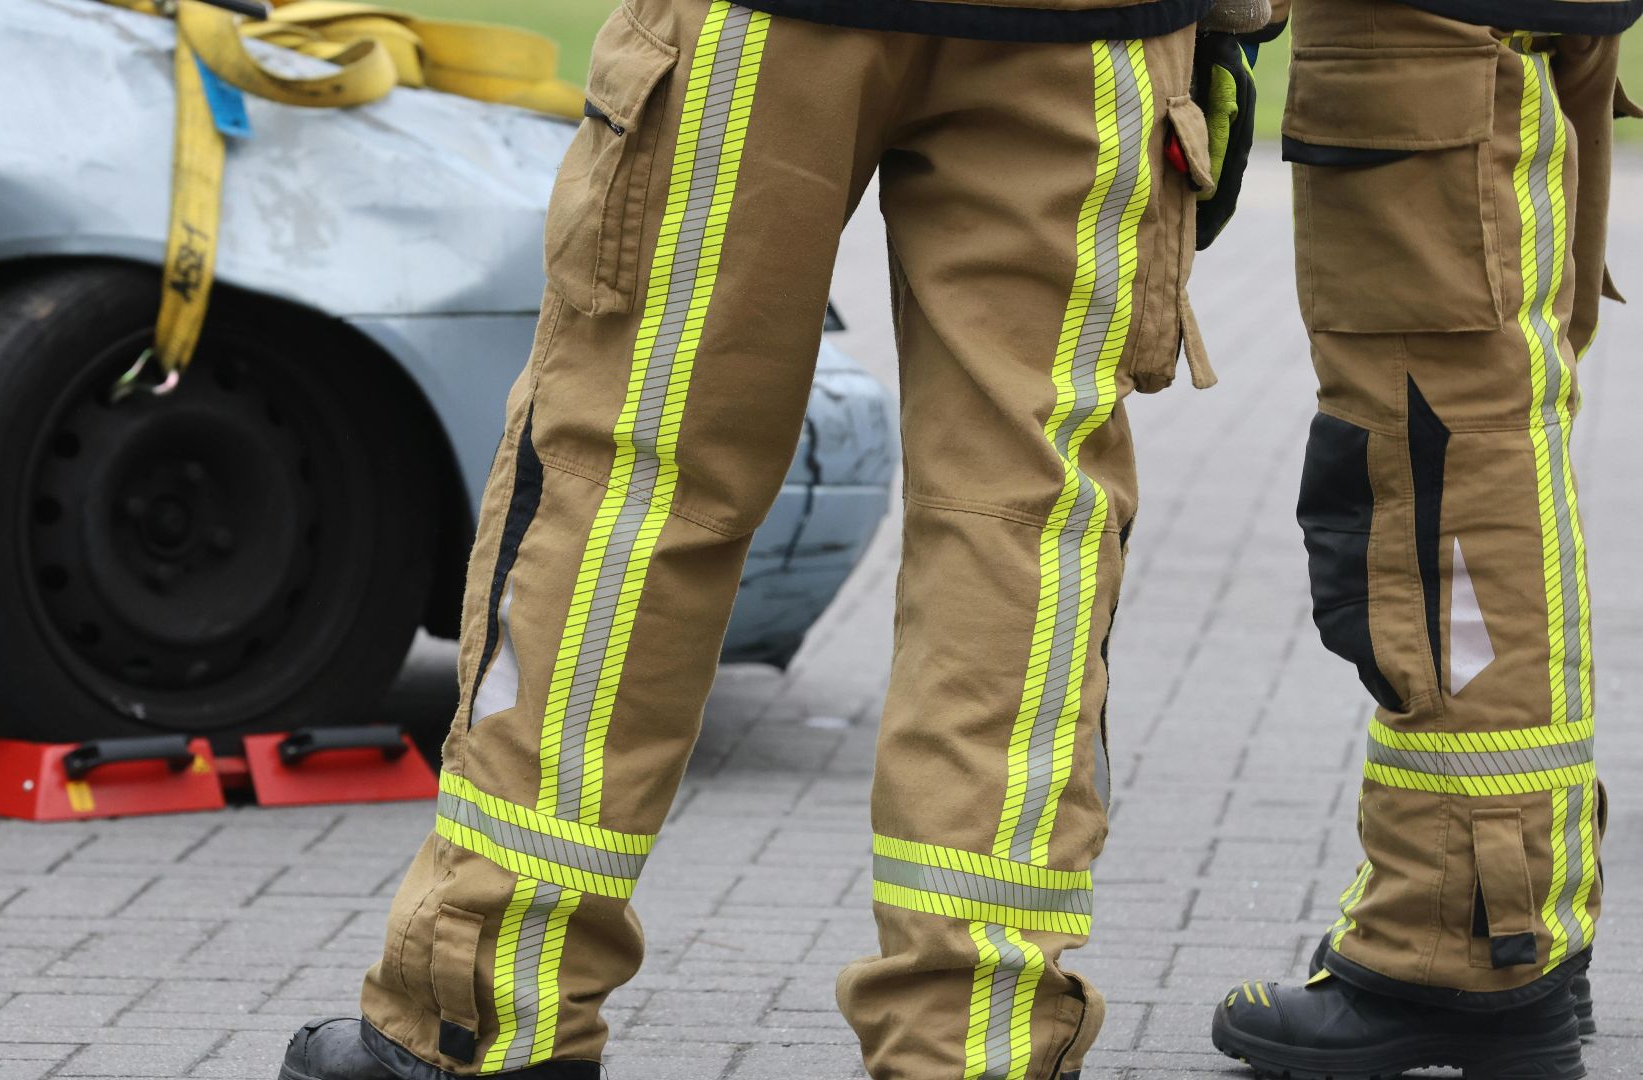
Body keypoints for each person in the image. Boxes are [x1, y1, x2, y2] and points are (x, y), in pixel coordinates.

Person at [275, 0, 1265, 1077]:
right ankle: (974, 1043)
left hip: (764, 29)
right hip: (1088, 34)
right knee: (1022, 526)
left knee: (638, 479)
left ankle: (491, 1008)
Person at [1209, 0, 1636, 1077]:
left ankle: (1466, 947)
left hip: (1431, 60)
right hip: (1464, 62)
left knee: (1444, 480)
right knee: (1470, 464)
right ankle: (1507, 916)